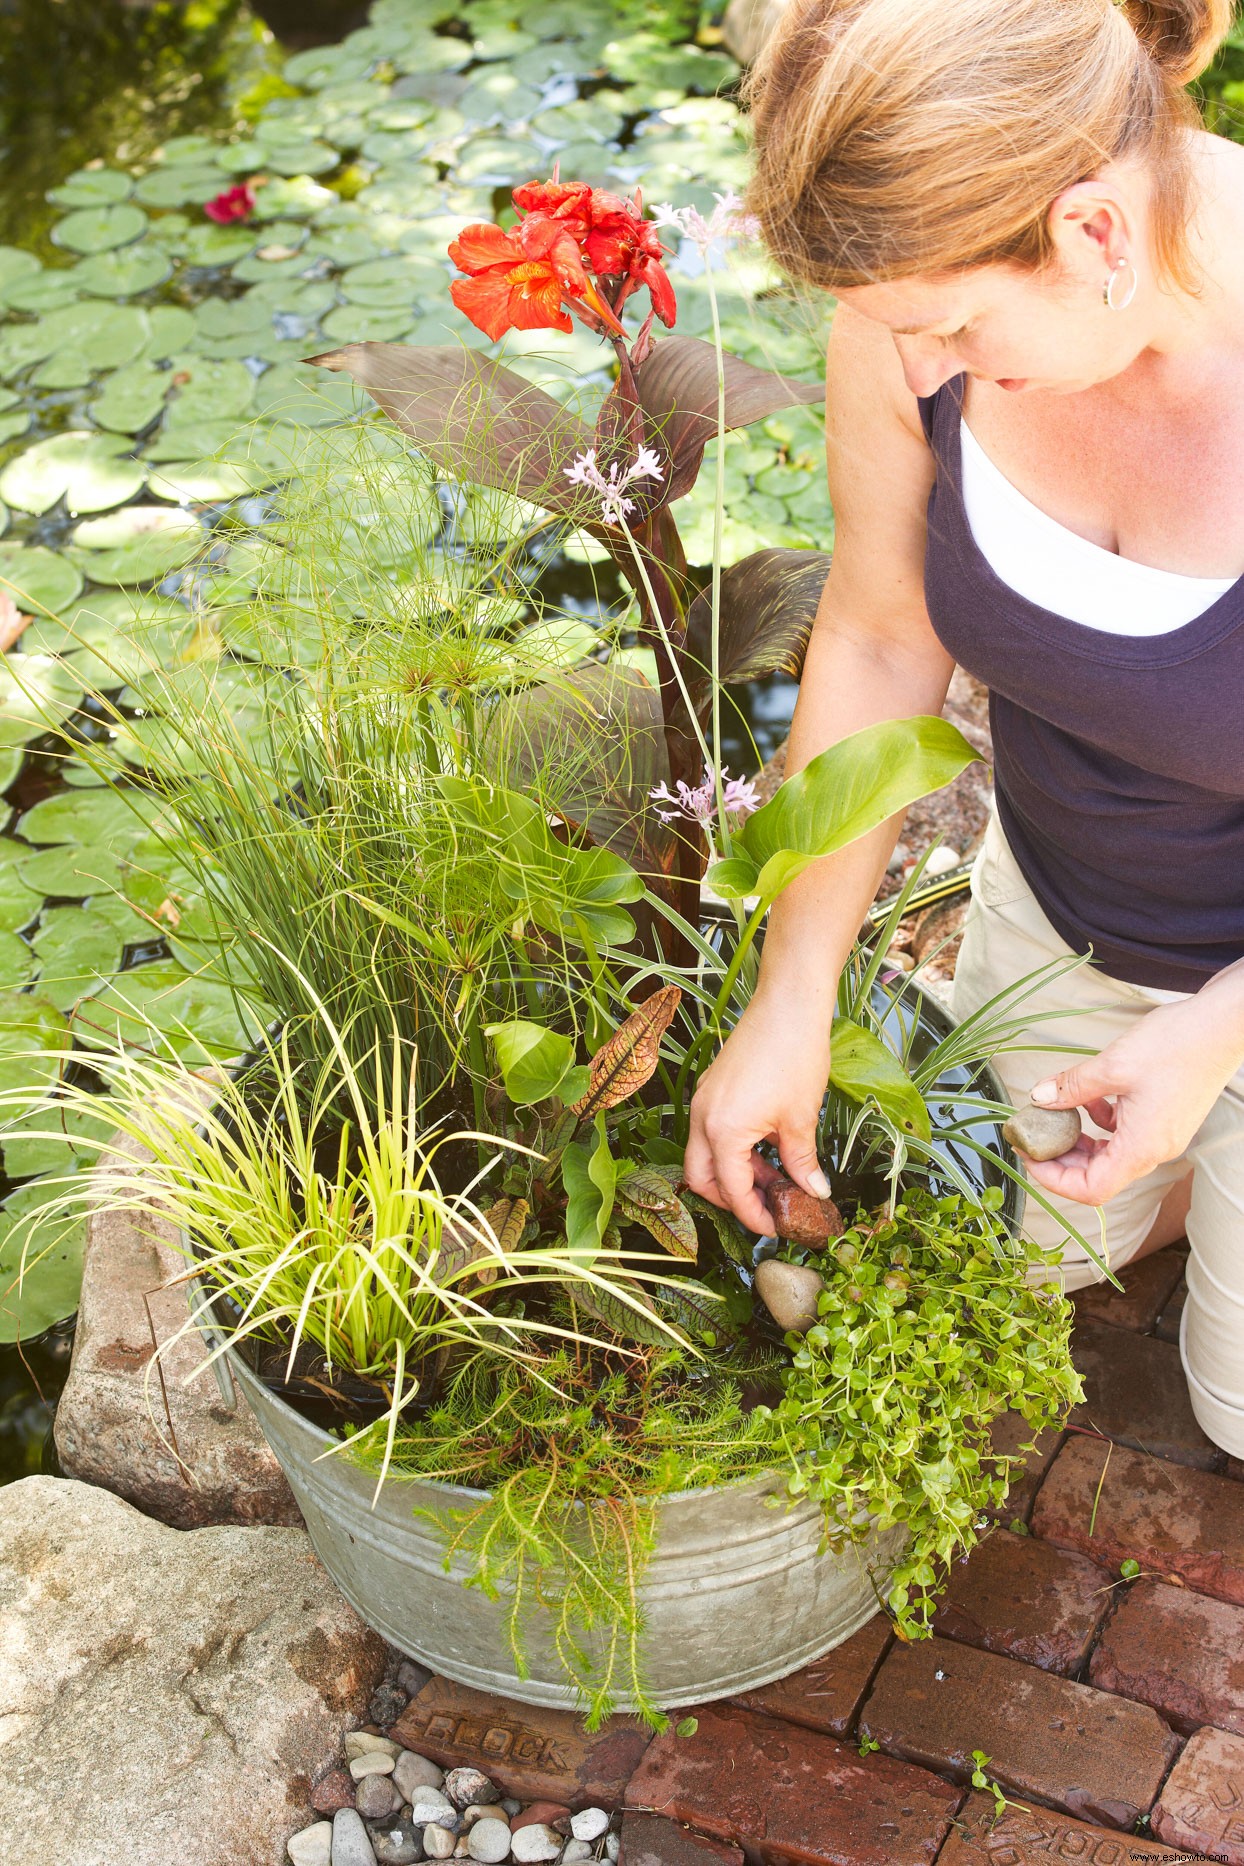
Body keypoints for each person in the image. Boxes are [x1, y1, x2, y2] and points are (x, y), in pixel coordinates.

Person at [683, 0, 1244, 1455]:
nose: (923, 359)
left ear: (1098, 237)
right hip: (1066, 918)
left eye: (951, 324)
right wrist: (791, 992)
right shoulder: (910, 319)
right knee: (1022, 1261)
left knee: (1237, 1414)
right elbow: (876, 637)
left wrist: (1213, 1036)